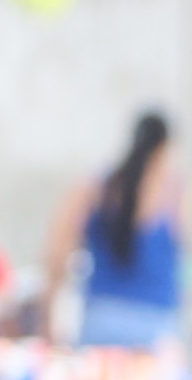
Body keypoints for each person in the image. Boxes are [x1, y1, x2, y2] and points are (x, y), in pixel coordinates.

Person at [65, 107, 184, 349]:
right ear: (164, 147)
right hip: (156, 325)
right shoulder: (173, 190)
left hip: (100, 319)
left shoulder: (97, 185)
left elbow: (58, 251)